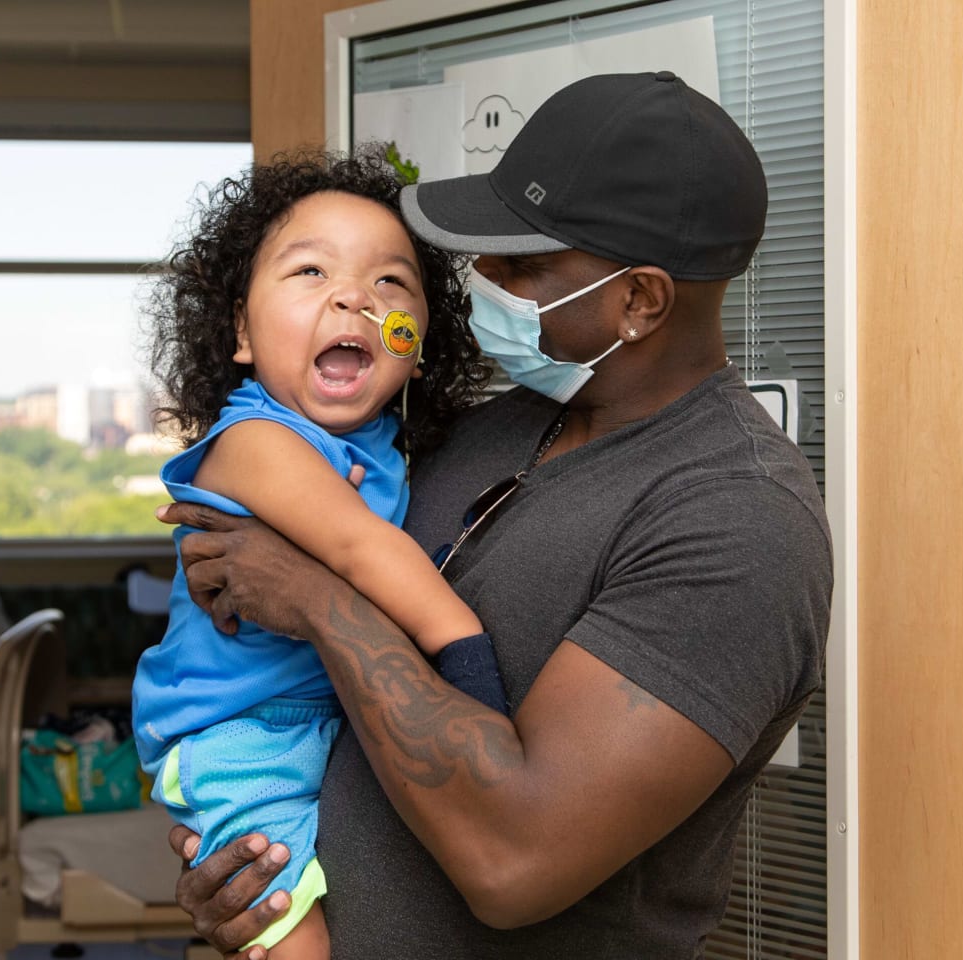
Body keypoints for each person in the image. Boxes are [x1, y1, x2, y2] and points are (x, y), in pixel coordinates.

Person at [160, 71, 833, 960]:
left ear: (640, 301)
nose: (484, 278)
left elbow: (516, 863)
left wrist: (317, 600)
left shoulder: (736, 522)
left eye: (526, 263)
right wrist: (253, 885)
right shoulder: (488, 430)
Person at [131, 150, 506, 959]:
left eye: (392, 285)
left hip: (332, 724)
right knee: (288, 933)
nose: (353, 298)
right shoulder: (255, 441)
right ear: (239, 330)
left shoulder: (393, 445)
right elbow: (361, 548)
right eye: (308, 272)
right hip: (241, 734)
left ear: (418, 339)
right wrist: (470, 668)